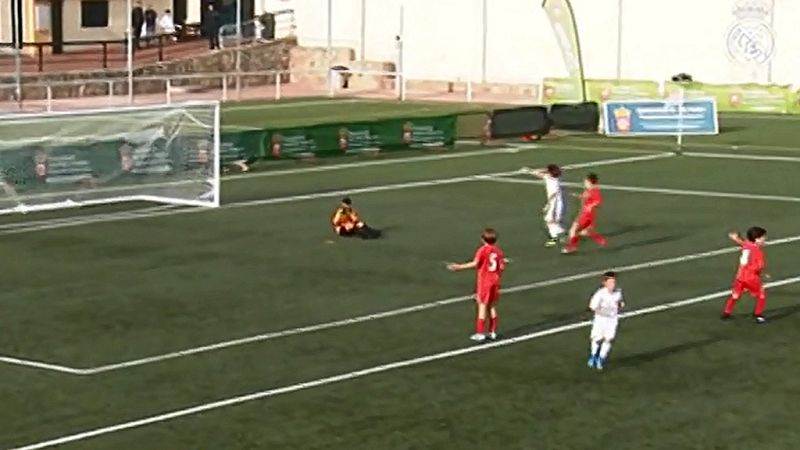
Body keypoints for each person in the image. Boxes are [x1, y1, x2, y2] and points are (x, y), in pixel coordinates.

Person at [447, 228, 506, 342]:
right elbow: (502, 266)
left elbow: (475, 263)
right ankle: (492, 331)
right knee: (492, 306)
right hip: (495, 281)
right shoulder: (498, 251)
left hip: (485, 282)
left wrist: (458, 267)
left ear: (482, 239)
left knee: (482, 306)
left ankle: (480, 333)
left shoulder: (483, 250)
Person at [721, 227, 769, 323]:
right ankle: (758, 315)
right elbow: (759, 266)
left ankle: (726, 312)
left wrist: (735, 238)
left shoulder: (747, 245)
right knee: (761, 295)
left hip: (740, 276)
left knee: (735, 295)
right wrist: (762, 274)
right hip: (751, 278)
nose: (765, 239)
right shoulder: (758, 251)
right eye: (763, 237)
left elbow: (742, 243)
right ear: (757, 239)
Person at [587, 271, 624, 370]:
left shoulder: (618, 292)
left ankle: (601, 359)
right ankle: (593, 355)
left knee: (608, 339)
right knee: (597, 339)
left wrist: (620, 304)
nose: (613, 284)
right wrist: (602, 312)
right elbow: (592, 307)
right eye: (611, 282)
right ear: (605, 283)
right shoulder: (600, 294)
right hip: (600, 320)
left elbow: (619, 301)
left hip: (612, 320)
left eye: (614, 282)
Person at [562, 172, 607, 254]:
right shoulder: (589, 190)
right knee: (585, 232)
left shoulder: (594, 191)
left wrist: (590, 206)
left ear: (590, 182)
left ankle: (572, 247)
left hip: (586, 215)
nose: (584, 183)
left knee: (573, 229)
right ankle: (601, 241)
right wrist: (576, 195)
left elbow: (598, 201)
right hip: (584, 214)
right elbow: (586, 197)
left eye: (586, 181)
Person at [526, 164, 565, 247]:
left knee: (549, 220)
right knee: (553, 220)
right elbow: (536, 173)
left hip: (554, 204)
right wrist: (530, 170)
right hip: (556, 203)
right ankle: (561, 234)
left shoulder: (552, 181)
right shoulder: (552, 178)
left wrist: (547, 205)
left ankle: (554, 238)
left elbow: (553, 195)